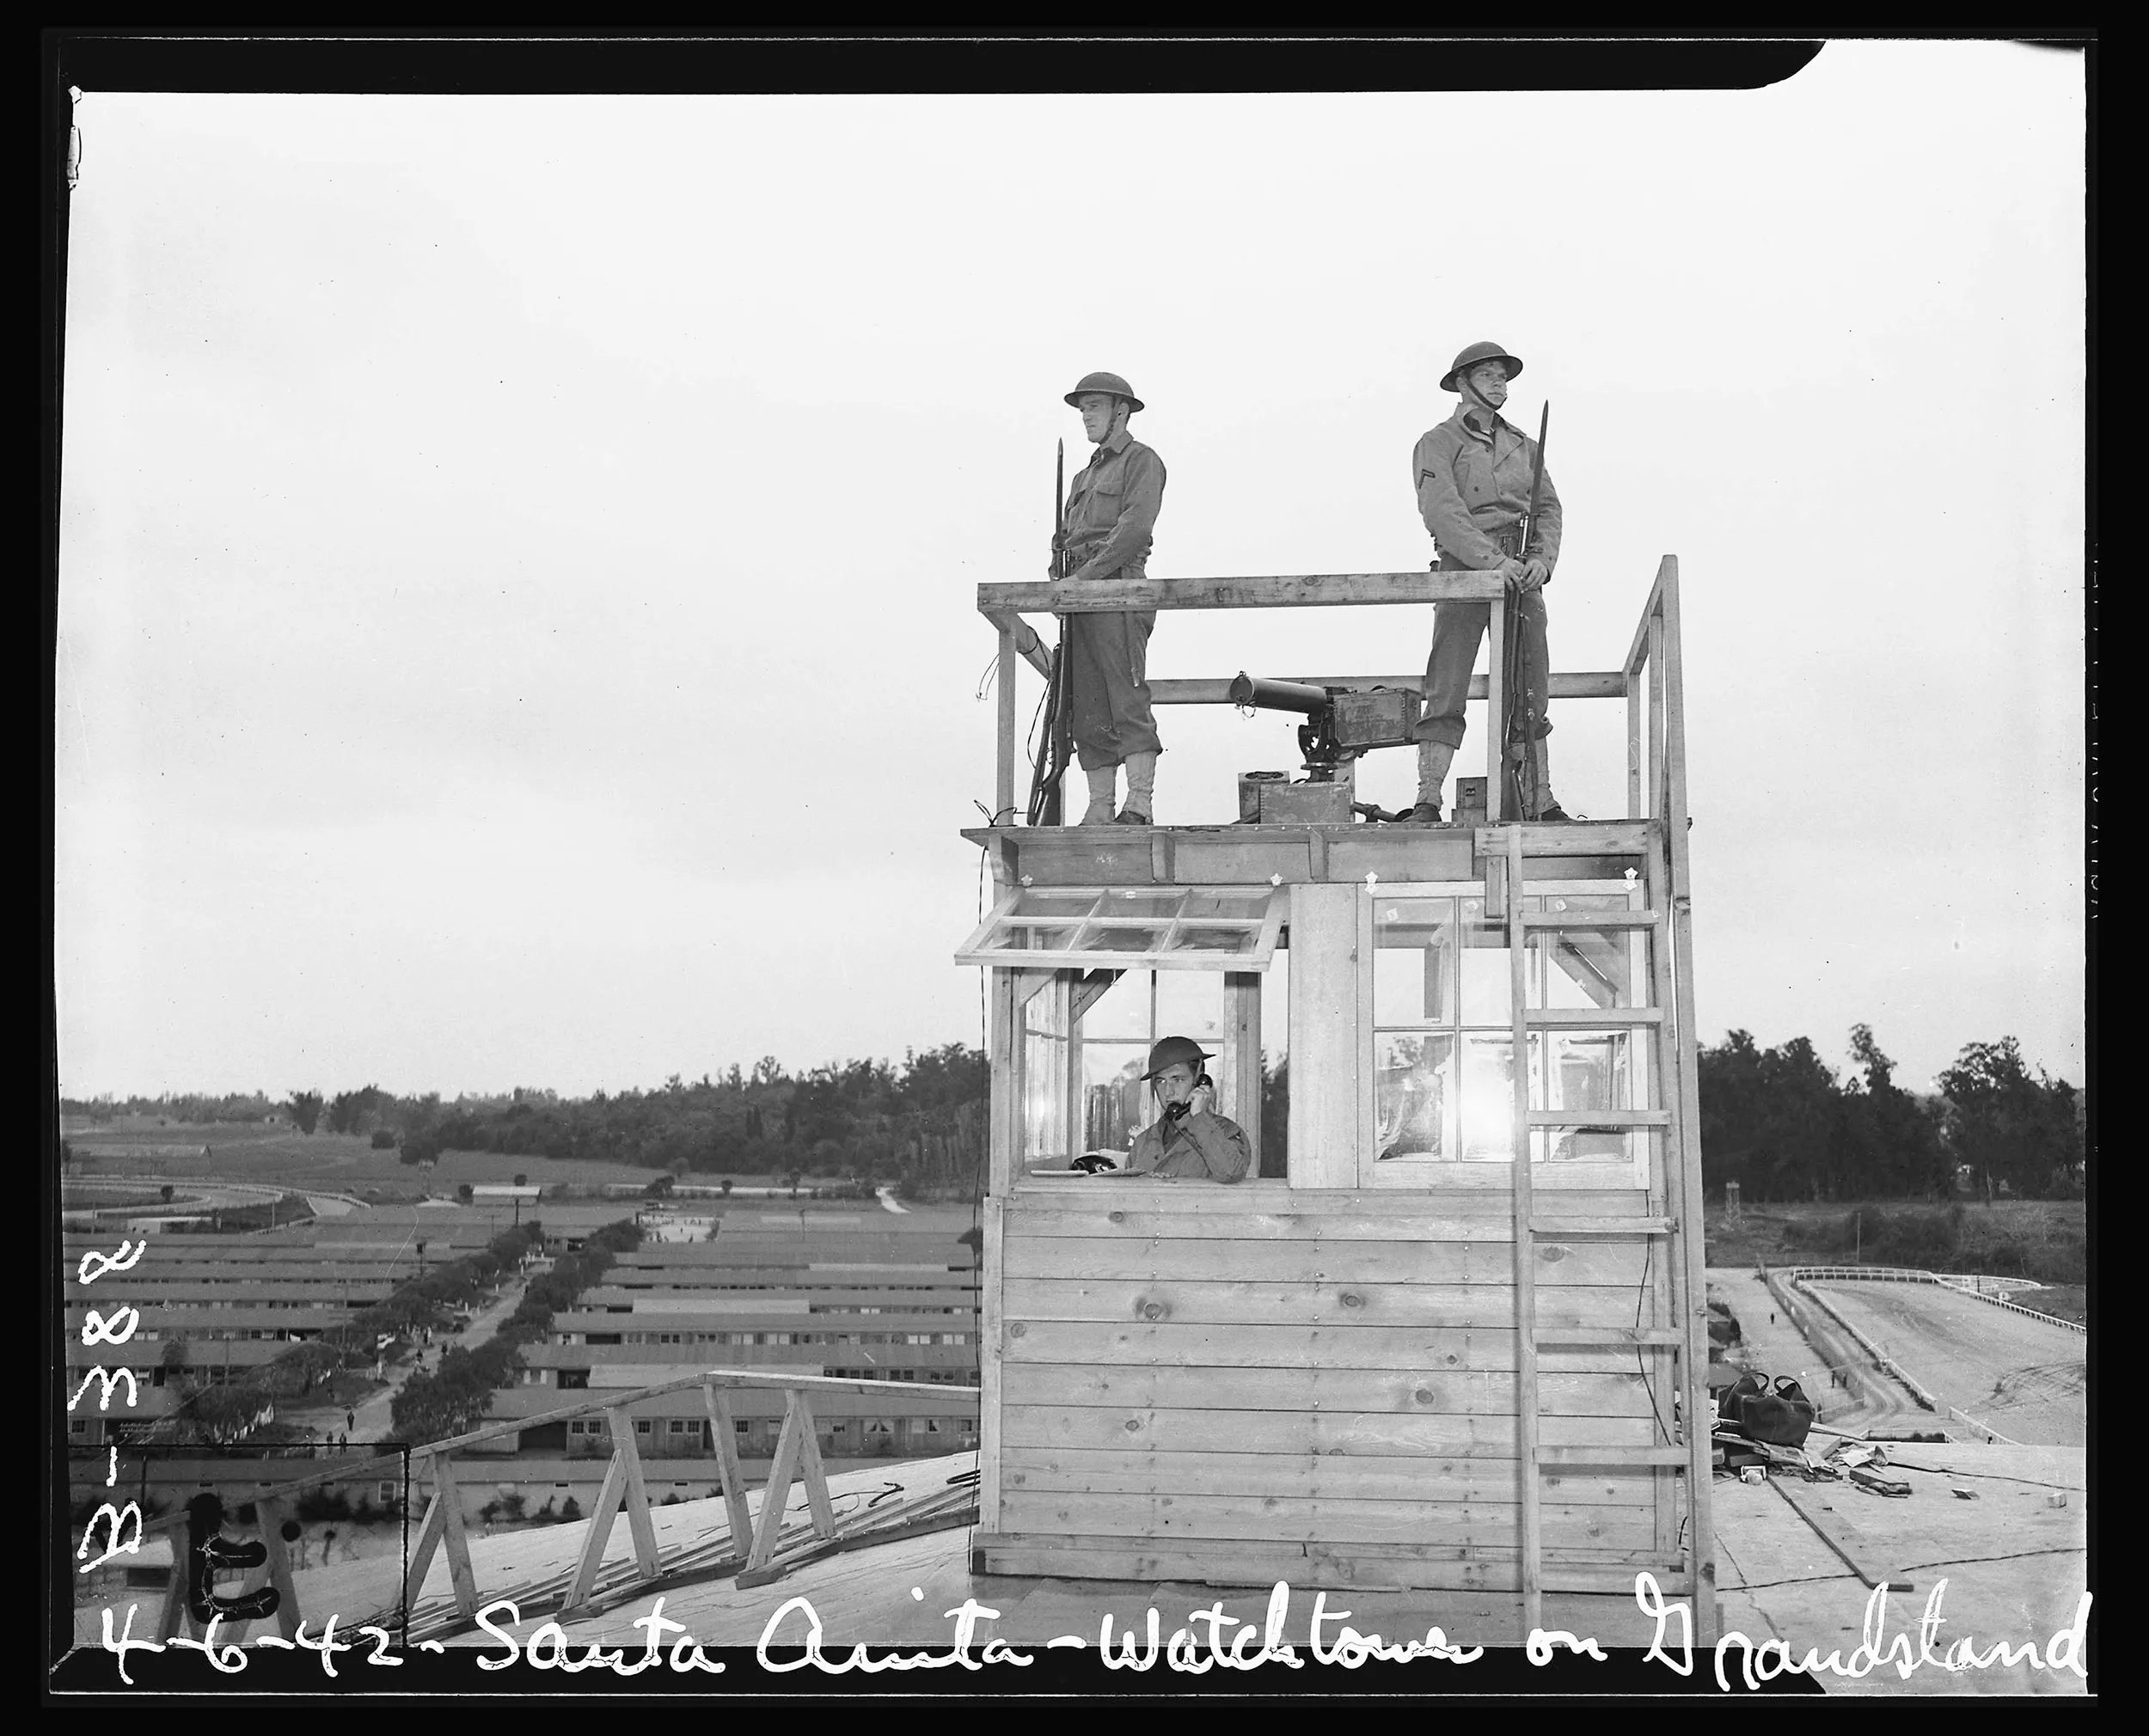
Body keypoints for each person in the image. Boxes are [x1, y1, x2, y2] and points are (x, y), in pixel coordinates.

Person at [1408, 340, 1570, 823]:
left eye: (1503, 375)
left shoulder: (1525, 446)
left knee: (1530, 687)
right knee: (1447, 683)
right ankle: (1428, 798)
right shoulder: (1438, 442)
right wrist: (1490, 561)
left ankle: (1540, 799)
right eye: (1488, 375)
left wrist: (1541, 559)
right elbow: (1442, 511)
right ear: (1462, 383)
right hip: (1464, 573)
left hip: (1522, 575)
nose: (1499, 383)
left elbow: (1547, 509)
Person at [1055, 371, 1166, 825]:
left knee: (1126, 696)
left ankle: (1138, 803)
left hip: (1118, 588)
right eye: (1082, 408)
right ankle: (1100, 806)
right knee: (1087, 705)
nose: (1085, 416)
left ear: (1121, 411)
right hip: (1080, 596)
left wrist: (1084, 577)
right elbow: (1066, 537)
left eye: (1094, 406)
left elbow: (1133, 529)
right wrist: (1060, 575)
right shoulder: (1083, 476)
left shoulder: (1142, 461)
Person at [1087, 1037, 1251, 1183]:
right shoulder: (1143, 1142)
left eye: (1178, 1080)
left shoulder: (1227, 1132)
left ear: (1199, 1081)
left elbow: (1231, 1172)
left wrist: (1198, 1117)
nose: (1168, 1092)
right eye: (1161, 1082)